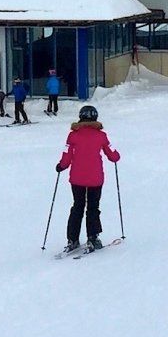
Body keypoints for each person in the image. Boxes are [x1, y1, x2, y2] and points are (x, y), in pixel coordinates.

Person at [55, 104, 119, 251]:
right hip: (95, 178)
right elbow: (112, 153)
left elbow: (67, 155)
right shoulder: (101, 135)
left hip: (77, 178)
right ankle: (93, 237)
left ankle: (72, 239)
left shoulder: (73, 135)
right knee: (93, 207)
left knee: (77, 206)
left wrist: (61, 166)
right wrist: (116, 157)